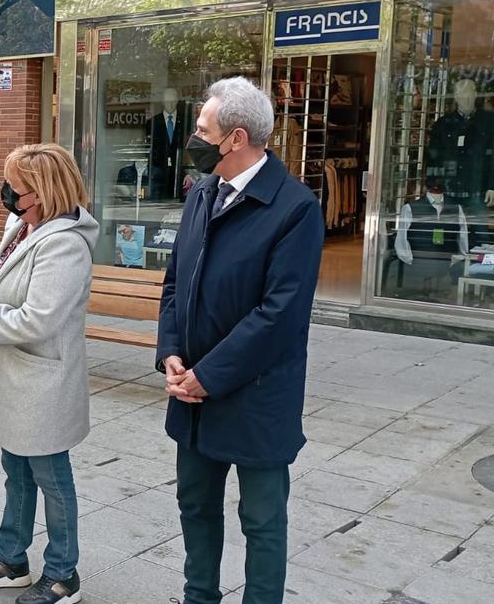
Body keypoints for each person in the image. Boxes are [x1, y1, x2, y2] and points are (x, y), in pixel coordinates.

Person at [157, 77, 324, 604]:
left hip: (255, 397)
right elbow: (175, 282)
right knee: (195, 506)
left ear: (235, 138)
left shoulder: (294, 208)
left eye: (204, 129)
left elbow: (279, 315)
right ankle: (198, 596)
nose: (195, 137)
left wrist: (210, 376)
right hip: (193, 393)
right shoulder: (202, 193)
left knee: (262, 519)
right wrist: (171, 354)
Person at [0, 143, 98, 604]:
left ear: (42, 193)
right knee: (16, 471)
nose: (7, 194)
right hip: (16, 379)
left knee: (52, 478)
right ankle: (11, 558)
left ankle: (62, 575)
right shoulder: (24, 225)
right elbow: (1, 282)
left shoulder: (65, 244)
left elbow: (39, 318)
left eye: (16, 188)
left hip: (42, 384)